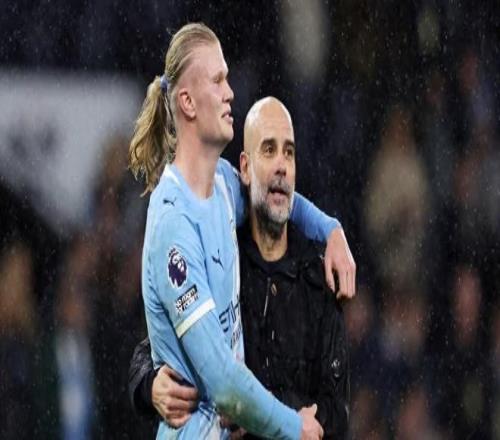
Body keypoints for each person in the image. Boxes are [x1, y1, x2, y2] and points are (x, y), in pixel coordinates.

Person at [128, 22, 355, 439]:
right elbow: (224, 385)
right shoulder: (174, 225)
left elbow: (274, 195)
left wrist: (331, 230)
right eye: (218, 80)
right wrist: (295, 427)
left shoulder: (222, 186)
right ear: (188, 102)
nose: (230, 92)